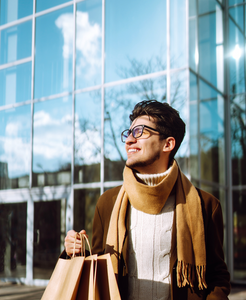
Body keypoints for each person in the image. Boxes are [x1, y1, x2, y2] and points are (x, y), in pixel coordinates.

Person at [64, 100, 230, 299]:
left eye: (140, 132)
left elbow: (217, 278)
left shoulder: (206, 206)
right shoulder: (108, 203)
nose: (128, 141)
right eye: (129, 133)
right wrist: (75, 251)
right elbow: (98, 273)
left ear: (168, 144)